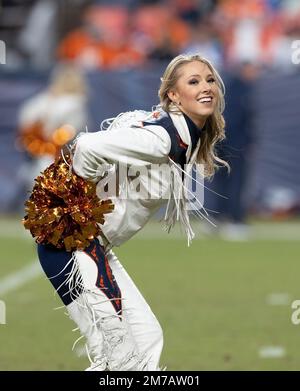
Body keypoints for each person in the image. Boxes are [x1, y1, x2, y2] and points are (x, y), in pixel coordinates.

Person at [34, 54, 228, 371]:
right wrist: (71, 204)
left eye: (209, 80)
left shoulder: (180, 132)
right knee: (123, 358)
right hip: (73, 248)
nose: (206, 87)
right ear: (173, 95)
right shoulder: (163, 136)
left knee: (147, 341)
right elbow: (86, 147)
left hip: (95, 247)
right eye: (193, 82)